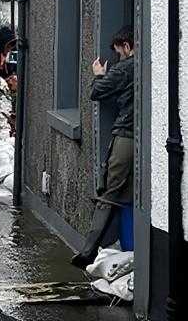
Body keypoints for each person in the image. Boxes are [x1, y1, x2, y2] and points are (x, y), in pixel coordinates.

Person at [72, 26, 135, 269]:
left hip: (127, 134)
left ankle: (87, 252)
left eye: (119, 52)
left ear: (127, 47)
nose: (119, 56)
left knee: (111, 191)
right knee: (122, 191)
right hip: (136, 133)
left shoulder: (126, 67)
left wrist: (99, 75)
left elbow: (95, 92)